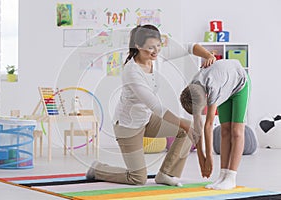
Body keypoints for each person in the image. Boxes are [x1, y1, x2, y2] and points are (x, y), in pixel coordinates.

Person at [86, 24, 216, 186]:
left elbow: (190, 47)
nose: (155, 51)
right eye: (150, 48)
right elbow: (156, 107)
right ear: (138, 46)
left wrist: (207, 55)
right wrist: (185, 124)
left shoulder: (156, 56)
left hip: (147, 119)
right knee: (137, 178)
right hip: (128, 126)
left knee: (186, 129)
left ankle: (166, 174)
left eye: (158, 46)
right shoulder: (132, 71)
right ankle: (97, 169)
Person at [180, 59, 250, 190]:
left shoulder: (213, 88)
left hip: (240, 84)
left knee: (236, 131)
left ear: (206, 97)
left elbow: (208, 124)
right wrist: (201, 156)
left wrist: (209, 157)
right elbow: (198, 126)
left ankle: (231, 177)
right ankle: (223, 175)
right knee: (224, 131)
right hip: (225, 87)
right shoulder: (192, 90)